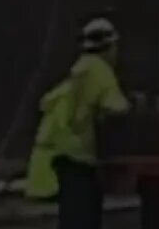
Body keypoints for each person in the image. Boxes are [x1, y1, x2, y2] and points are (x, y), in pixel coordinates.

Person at [25, 16, 131, 229]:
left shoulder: (79, 71)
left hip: (64, 159)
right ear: (108, 47)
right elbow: (118, 108)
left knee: (72, 220)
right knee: (84, 220)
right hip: (79, 159)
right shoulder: (99, 71)